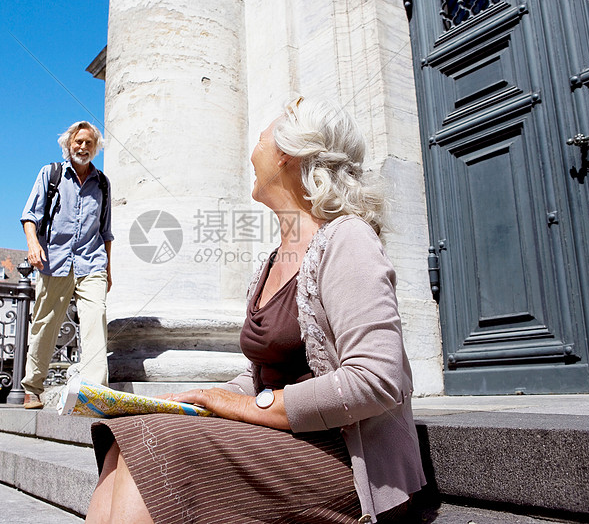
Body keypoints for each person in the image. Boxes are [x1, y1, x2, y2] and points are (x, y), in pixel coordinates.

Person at [84, 97, 426, 523]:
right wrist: (192, 400)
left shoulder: (348, 239)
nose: (253, 149)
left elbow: (376, 380)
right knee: (129, 434)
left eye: (262, 137)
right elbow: (261, 376)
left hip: (347, 459)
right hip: (287, 440)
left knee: (155, 445)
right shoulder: (274, 260)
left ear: (287, 153)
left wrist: (246, 407)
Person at [20, 121, 113, 410]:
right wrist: (33, 244)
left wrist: (109, 270)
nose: (83, 147)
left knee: (96, 317)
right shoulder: (51, 174)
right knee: (45, 324)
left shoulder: (103, 184)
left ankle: (95, 391)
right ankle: (32, 388)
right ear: (68, 144)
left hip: (92, 261)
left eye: (88, 143)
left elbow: (106, 231)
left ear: (95, 148)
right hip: (54, 261)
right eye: (78, 142)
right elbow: (29, 215)